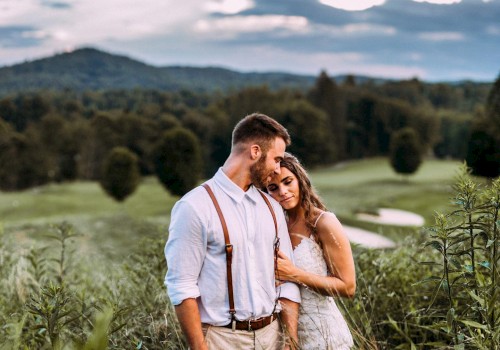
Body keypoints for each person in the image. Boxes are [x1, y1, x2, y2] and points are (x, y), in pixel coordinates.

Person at [165, 113, 301, 350]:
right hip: (221, 339)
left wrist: (290, 341)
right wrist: (200, 347)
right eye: (277, 159)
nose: (278, 168)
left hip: (273, 336)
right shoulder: (194, 207)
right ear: (255, 152)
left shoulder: (271, 207)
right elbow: (182, 286)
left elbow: (286, 280)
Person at [265, 152, 356, 350]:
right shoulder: (276, 228)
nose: (283, 191)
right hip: (286, 335)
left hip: (324, 334)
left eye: (288, 182)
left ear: (300, 180)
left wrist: (294, 274)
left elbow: (348, 287)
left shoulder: (323, 222)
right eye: (273, 188)